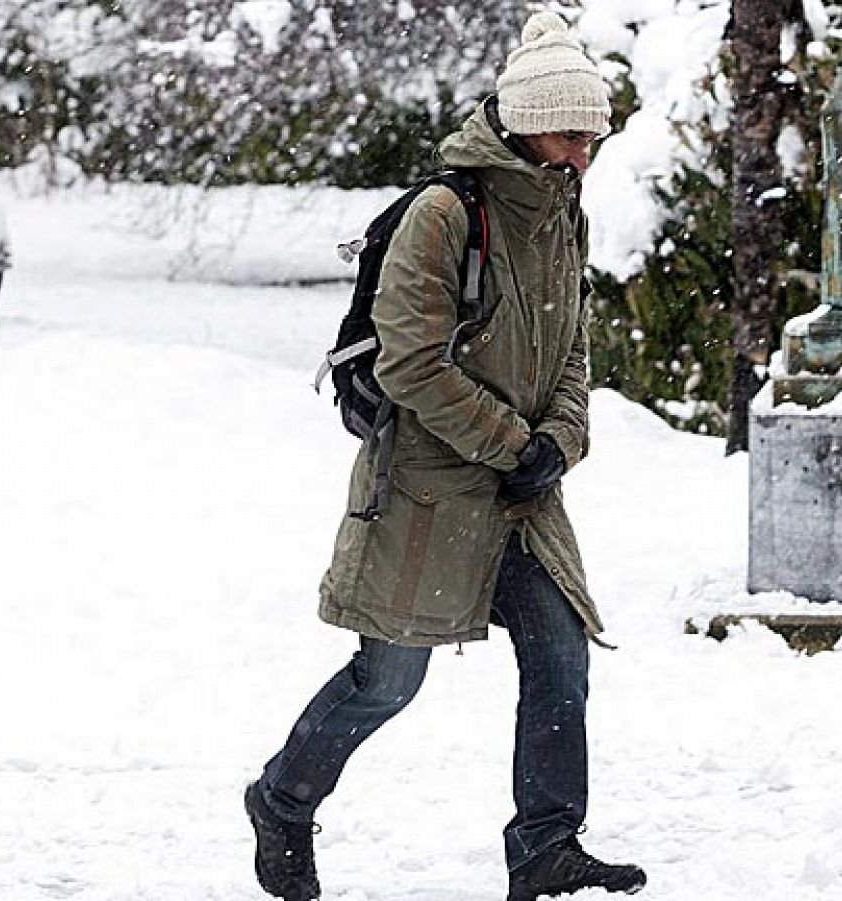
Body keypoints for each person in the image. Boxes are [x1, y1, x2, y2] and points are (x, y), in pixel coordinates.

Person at [243, 12, 646, 901]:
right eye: (571, 134)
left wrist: (561, 442)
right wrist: (513, 443)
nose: (584, 153)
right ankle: (282, 800)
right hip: (429, 492)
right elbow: (412, 361)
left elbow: (572, 351)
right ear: (524, 120)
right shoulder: (444, 212)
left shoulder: (561, 212)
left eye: (594, 138)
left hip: (524, 496)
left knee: (560, 657)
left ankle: (546, 845)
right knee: (387, 680)